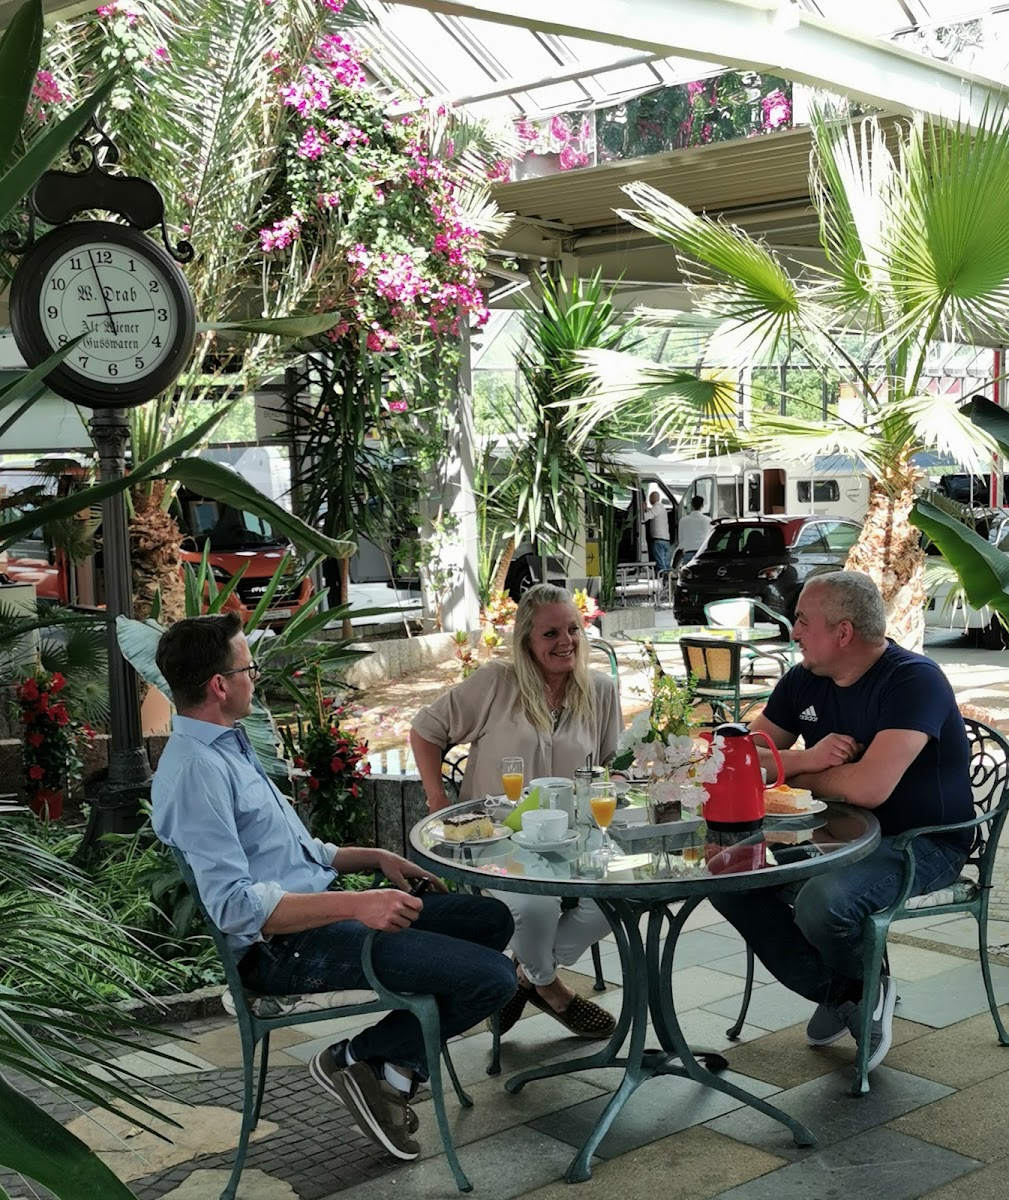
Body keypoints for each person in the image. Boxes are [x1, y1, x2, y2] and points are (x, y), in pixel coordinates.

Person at [150, 612, 516, 1163]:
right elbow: (234, 907)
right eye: (248, 668)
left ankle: (391, 1067)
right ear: (219, 685)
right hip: (285, 949)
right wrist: (360, 903)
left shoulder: (228, 743)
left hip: (324, 916)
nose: (256, 678)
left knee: (490, 923)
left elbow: (294, 854)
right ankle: (360, 1059)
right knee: (492, 979)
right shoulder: (197, 771)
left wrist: (374, 857)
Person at [711, 571, 972, 1075]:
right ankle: (851, 990)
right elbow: (741, 760)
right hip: (830, 835)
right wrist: (808, 761)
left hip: (923, 842)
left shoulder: (913, 680)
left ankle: (859, 989)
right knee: (729, 875)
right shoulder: (805, 678)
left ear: (844, 632)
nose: (794, 633)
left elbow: (869, 788)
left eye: (803, 622)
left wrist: (792, 770)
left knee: (824, 902)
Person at [410, 583, 621, 1042]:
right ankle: (553, 990)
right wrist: (437, 802)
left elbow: (606, 769)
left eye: (573, 629)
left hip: (573, 839)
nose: (565, 641)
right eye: (550, 634)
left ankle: (522, 979)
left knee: (616, 898)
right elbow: (424, 730)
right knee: (534, 905)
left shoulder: (600, 690)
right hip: (499, 841)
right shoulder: (495, 684)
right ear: (527, 640)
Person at [642, 488, 672, 572]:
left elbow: (645, 517)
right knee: (666, 563)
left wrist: (642, 510)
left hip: (658, 540)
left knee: (660, 564)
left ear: (653, 498)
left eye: (650, 498)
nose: (649, 500)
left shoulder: (657, 507)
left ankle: (664, 580)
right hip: (665, 539)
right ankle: (669, 581)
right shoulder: (661, 508)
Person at [677, 495, 712, 561]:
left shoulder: (683, 520)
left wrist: (682, 547)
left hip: (688, 550)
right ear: (702, 506)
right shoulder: (708, 520)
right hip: (703, 551)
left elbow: (681, 538)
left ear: (692, 505)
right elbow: (710, 537)